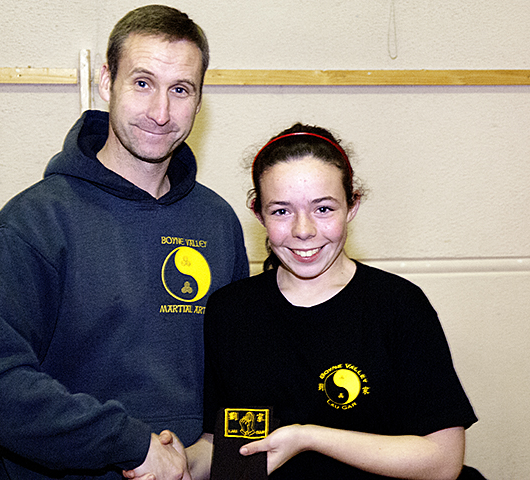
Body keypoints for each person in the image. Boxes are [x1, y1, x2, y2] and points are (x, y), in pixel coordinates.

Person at [0, 5, 249, 480]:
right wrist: (130, 445)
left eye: (180, 90)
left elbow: (239, 382)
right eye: (143, 82)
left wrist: (222, 462)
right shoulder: (35, 220)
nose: (160, 112)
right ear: (107, 81)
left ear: (199, 99)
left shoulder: (218, 222)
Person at [184, 123, 478, 479]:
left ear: (351, 206)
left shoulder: (399, 306)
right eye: (281, 211)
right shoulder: (230, 311)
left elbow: (443, 460)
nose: (303, 229)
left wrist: (309, 438)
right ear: (257, 213)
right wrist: (176, 462)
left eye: (323, 209)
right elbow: (220, 447)